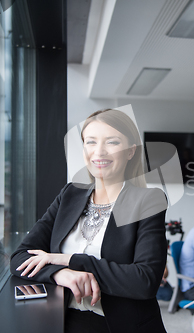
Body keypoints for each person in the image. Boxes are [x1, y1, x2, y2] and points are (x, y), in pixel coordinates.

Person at [10, 109, 168, 333]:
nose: (99, 152)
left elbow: (144, 281)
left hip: (120, 326)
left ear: (131, 151)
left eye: (112, 142)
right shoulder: (70, 195)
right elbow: (20, 257)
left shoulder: (148, 200)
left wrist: (69, 260)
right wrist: (60, 273)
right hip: (63, 321)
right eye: (91, 142)